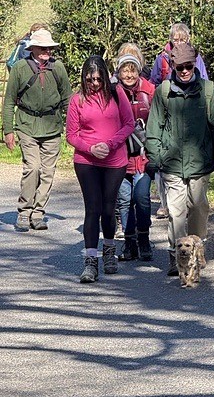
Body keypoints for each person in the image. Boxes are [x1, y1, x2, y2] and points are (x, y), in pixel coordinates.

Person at [146, 42, 214, 276]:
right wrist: (154, 157)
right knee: (176, 212)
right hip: (171, 163)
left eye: (188, 66)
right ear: (173, 66)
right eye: (180, 67)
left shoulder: (208, 91)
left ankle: (196, 249)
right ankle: (176, 256)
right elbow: (154, 127)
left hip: (200, 162)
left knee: (199, 207)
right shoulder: (163, 92)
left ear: (195, 66)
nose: (184, 71)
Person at [66, 55, 135, 284]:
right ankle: (90, 261)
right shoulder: (77, 100)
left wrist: (110, 144)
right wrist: (91, 148)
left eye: (98, 79)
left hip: (114, 159)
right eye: (89, 80)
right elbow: (71, 135)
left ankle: (109, 250)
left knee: (108, 208)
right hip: (87, 160)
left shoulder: (117, 93)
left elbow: (129, 124)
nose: (94, 84)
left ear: (105, 77)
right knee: (92, 208)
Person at [2, 27, 72, 231]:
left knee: (48, 172)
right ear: (32, 48)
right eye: (42, 48)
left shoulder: (58, 68)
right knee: (32, 168)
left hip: (52, 126)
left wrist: (73, 128)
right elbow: (9, 101)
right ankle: (24, 212)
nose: (46, 51)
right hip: (26, 125)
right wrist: (8, 130)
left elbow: (68, 99)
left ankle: (38, 212)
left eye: (49, 48)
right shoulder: (20, 68)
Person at [145, 23, 209, 219]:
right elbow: (153, 82)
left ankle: (189, 202)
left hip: (192, 107)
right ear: (170, 40)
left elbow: (204, 80)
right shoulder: (162, 59)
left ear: (188, 39)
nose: (179, 42)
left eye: (183, 39)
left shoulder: (197, 58)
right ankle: (166, 204)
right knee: (166, 159)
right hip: (167, 106)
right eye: (176, 39)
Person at [114, 51, 156, 262]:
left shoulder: (150, 91)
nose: (129, 75)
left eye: (132, 70)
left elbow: (159, 120)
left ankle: (144, 240)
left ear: (139, 71)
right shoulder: (112, 92)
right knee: (124, 200)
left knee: (141, 198)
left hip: (143, 156)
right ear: (118, 72)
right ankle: (129, 243)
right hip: (120, 157)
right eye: (124, 70)